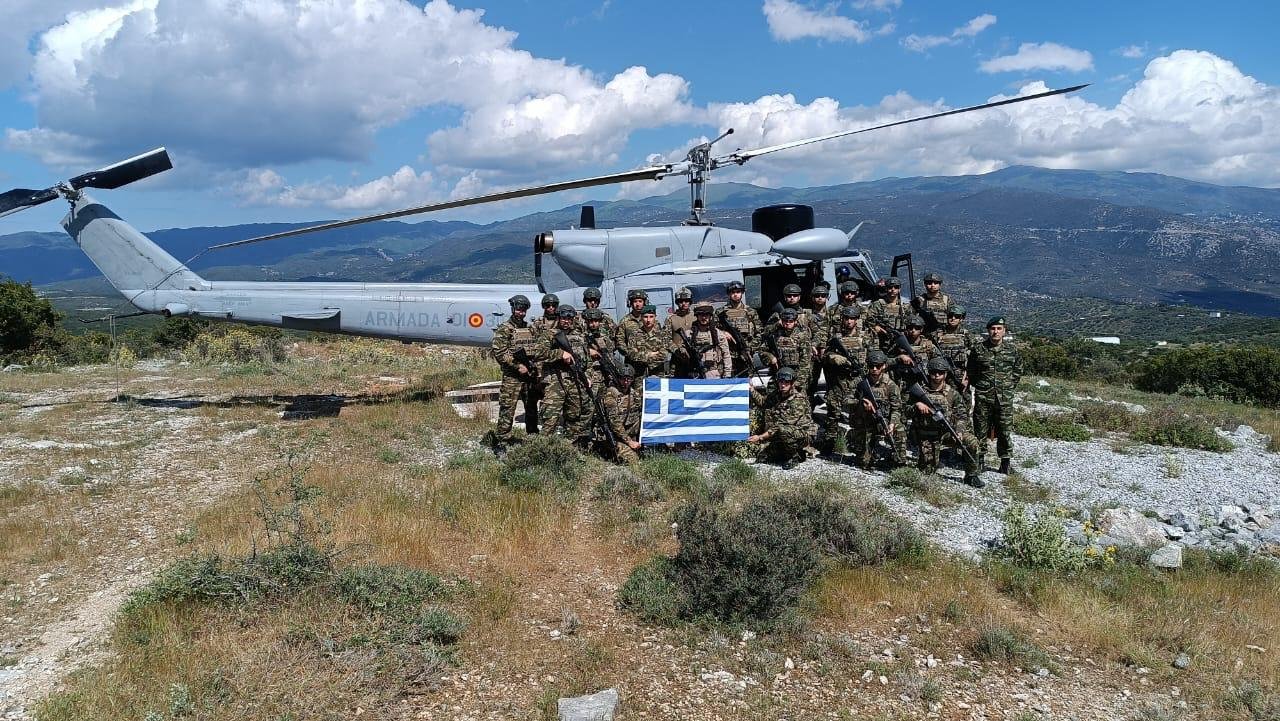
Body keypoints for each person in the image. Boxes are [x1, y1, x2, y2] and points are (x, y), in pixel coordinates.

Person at [910, 357, 983, 487]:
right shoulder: (919, 391)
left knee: (972, 442)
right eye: (933, 372)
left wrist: (959, 431)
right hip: (927, 434)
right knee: (927, 473)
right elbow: (905, 411)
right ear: (929, 373)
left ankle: (972, 475)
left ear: (945, 374)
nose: (937, 375)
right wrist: (917, 405)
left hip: (947, 433)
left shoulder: (952, 393)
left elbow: (962, 416)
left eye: (940, 372)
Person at [968, 315, 1023, 474]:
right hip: (983, 397)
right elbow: (972, 371)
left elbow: (1017, 371)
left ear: (1004, 331)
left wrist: (1008, 386)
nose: (996, 332)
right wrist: (981, 385)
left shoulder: (1012, 350)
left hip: (1004, 398)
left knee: (1005, 430)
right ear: (988, 331)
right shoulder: (978, 349)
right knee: (980, 429)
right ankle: (979, 460)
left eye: (999, 329)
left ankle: (1005, 463)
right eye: (993, 329)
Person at [488, 294, 541, 447]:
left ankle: (533, 438)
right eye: (518, 309)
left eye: (524, 310)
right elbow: (500, 352)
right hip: (512, 377)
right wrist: (518, 366)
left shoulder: (529, 328)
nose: (521, 312)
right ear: (513, 309)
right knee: (508, 408)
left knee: (531, 407)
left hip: (528, 376)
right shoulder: (505, 329)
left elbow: (536, 348)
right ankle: (503, 441)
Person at [820, 304, 874, 453]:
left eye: (852, 318)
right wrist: (833, 357)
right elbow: (824, 355)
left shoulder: (865, 336)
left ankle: (857, 443)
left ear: (857, 320)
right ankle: (830, 442)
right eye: (846, 318)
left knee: (858, 411)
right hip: (838, 380)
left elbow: (874, 357)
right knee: (833, 412)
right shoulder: (836, 337)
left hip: (858, 380)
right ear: (842, 319)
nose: (849, 321)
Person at [538, 305, 594, 441]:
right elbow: (538, 353)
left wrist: (588, 376)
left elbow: (587, 361)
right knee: (550, 417)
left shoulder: (579, 337)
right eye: (563, 318)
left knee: (574, 416)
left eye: (569, 319)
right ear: (558, 318)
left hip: (575, 381)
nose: (566, 321)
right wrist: (560, 354)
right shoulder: (549, 334)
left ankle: (570, 446)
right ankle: (543, 448)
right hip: (555, 382)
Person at [747, 366, 814, 469]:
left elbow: (780, 425)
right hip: (780, 434)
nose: (783, 385)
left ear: (792, 383)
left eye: (786, 382)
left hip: (801, 434)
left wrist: (760, 437)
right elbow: (763, 402)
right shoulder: (777, 394)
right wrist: (751, 389)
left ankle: (794, 456)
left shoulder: (798, 400)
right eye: (781, 382)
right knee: (763, 457)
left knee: (784, 430)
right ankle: (788, 452)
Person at [849, 350, 904, 468]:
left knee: (899, 429)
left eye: (878, 366)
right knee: (864, 463)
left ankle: (897, 458)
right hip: (864, 421)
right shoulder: (860, 381)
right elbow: (846, 400)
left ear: (884, 366)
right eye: (871, 366)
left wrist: (892, 424)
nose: (874, 369)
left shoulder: (891, 385)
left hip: (883, 420)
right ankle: (858, 445)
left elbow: (897, 408)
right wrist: (861, 403)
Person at [760, 307, 812, 393]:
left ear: (795, 321)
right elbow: (762, 351)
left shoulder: (802, 336)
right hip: (778, 373)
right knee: (771, 394)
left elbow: (805, 361)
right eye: (785, 321)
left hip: (796, 374)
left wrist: (798, 382)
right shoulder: (775, 335)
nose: (787, 323)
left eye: (790, 321)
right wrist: (770, 357)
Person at [674, 303, 732, 378]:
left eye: (706, 315)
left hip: (713, 372)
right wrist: (684, 352)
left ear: (710, 316)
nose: (704, 317)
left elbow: (726, 355)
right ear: (697, 316)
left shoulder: (718, 334)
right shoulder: (689, 334)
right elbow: (681, 352)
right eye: (701, 315)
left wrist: (727, 374)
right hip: (694, 373)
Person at [718, 280, 761, 376]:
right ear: (729, 294)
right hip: (728, 354)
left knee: (747, 379)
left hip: (746, 352)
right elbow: (713, 331)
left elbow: (759, 333)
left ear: (742, 293)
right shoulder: (720, 312)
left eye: (738, 292)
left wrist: (750, 347)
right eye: (733, 292)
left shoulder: (750, 312)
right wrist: (723, 333)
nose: (735, 295)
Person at [603, 365, 644, 465]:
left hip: (630, 434)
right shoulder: (611, 395)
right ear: (618, 378)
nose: (626, 382)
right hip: (615, 436)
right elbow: (615, 423)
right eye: (623, 379)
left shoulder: (634, 394)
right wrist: (629, 442)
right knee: (633, 460)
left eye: (629, 379)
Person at [891, 315, 939, 390]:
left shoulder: (928, 346)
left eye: (917, 328)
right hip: (903, 384)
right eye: (910, 328)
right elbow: (886, 362)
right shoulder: (898, 345)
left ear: (921, 329)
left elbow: (938, 364)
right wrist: (899, 358)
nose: (913, 330)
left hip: (923, 384)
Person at [934, 304, 975, 393]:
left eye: (956, 316)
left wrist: (967, 377)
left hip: (960, 375)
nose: (953, 318)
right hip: (940, 375)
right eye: (950, 315)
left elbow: (974, 357)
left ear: (961, 319)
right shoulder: (938, 334)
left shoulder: (966, 335)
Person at [622, 304, 669, 378]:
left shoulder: (662, 334)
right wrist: (650, 354)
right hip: (640, 375)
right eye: (645, 317)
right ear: (641, 318)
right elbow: (631, 354)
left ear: (655, 317)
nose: (648, 320)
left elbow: (663, 354)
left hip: (657, 373)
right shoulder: (634, 335)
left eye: (651, 317)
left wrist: (642, 355)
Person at [867, 276, 910, 353]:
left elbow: (911, 321)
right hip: (882, 339)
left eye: (896, 287)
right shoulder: (878, 304)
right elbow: (869, 320)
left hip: (900, 338)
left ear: (899, 289)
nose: (893, 289)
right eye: (890, 287)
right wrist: (877, 327)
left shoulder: (905, 306)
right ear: (886, 288)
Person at [582, 308, 618, 388]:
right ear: (587, 322)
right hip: (590, 372)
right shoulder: (582, 336)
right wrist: (588, 351)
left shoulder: (605, 337)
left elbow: (610, 353)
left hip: (605, 371)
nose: (593, 324)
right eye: (591, 321)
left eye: (596, 321)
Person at [912, 272, 951, 339]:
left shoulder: (946, 300)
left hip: (943, 335)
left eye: (935, 283)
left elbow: (953, 318)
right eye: (929, 283)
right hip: (924, 336)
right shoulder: (919, 300)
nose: (932, 285)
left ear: (940, 285)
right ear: (925, 284)